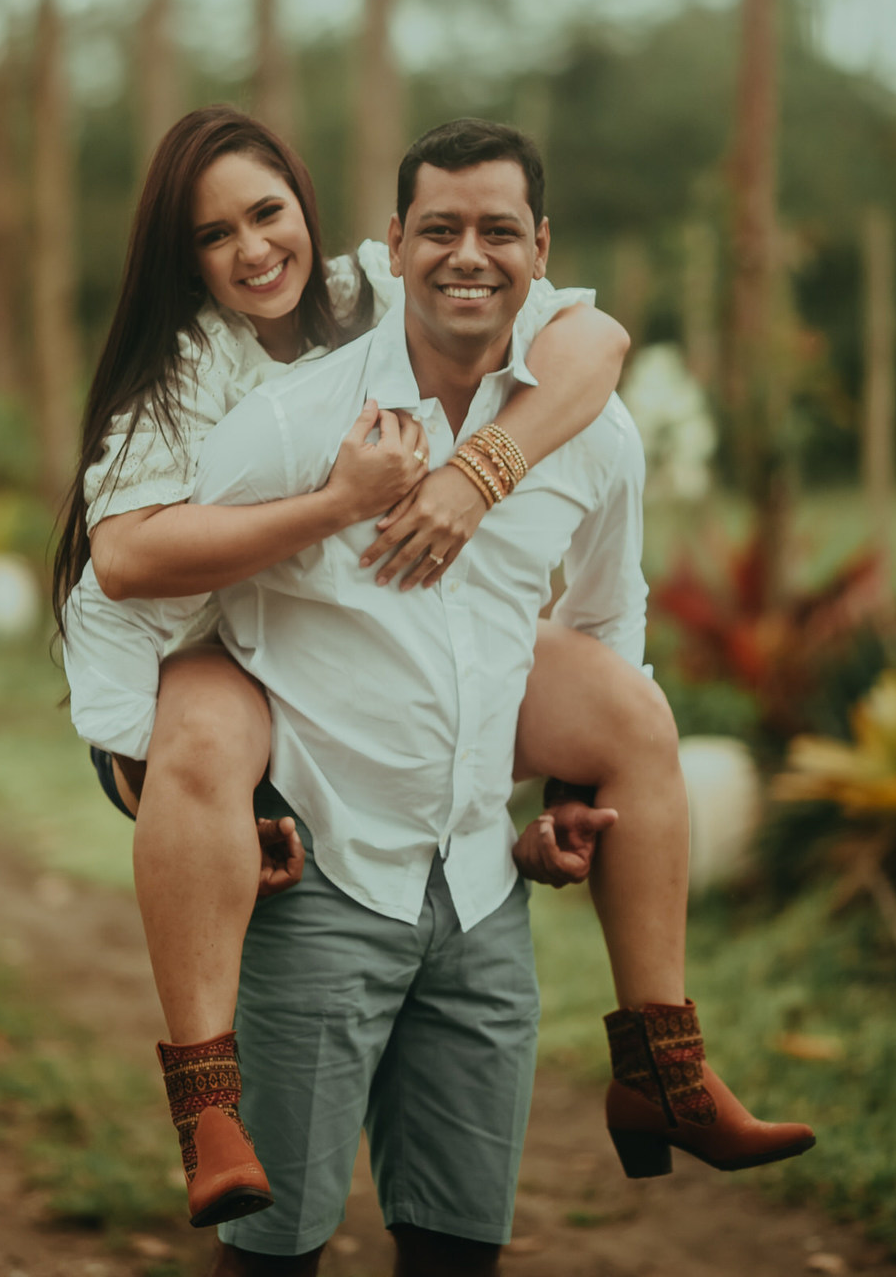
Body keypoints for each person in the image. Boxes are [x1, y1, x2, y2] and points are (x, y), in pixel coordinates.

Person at [183, 121, 812, 1275]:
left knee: (460, 1252)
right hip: (324, 881)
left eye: (497, 230)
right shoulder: (289, 425)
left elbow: (605, 626)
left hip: (481, 902)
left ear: (542, 249)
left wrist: (575, 790)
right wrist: (209, 776)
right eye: (439, 229)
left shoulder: (596, 435)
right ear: (392, 243)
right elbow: (180, 609)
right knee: (275, 1257)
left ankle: (661, 1062)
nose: (467, 254)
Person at [52, 105, 634, 1226]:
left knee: (622, 714)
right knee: (212, 742)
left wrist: (482, 469)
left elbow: (595, 344)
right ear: (186, 260)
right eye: (215, 236)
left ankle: (664, 1052)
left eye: (267, 214)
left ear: (309, 211)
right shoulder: (178, 377)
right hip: (182, 654)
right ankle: (206, 1096)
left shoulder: (374, 288)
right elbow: (124, 561)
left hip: (299, 655)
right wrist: (336, 503)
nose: (254, 250)